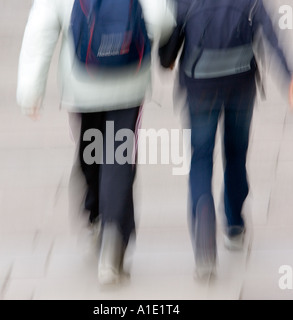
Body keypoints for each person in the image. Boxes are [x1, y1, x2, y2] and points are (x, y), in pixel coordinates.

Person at [16, 0, 175, 285]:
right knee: (119, 156)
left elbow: (40, 28)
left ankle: (94, 214)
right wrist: (136, 38)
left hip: (81, 83)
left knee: (89, 148)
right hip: (129, 81)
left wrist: (30, 88)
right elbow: (162, 19)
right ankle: (113, 238)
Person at [160, 0, 293, 279]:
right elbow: (271, 34)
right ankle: (235, 225)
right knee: (236, 154)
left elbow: (169, 44)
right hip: (241, 85)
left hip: (199, 87)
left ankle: (204, 245)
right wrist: (289, 76)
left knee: (200, 159)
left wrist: (166, 59)